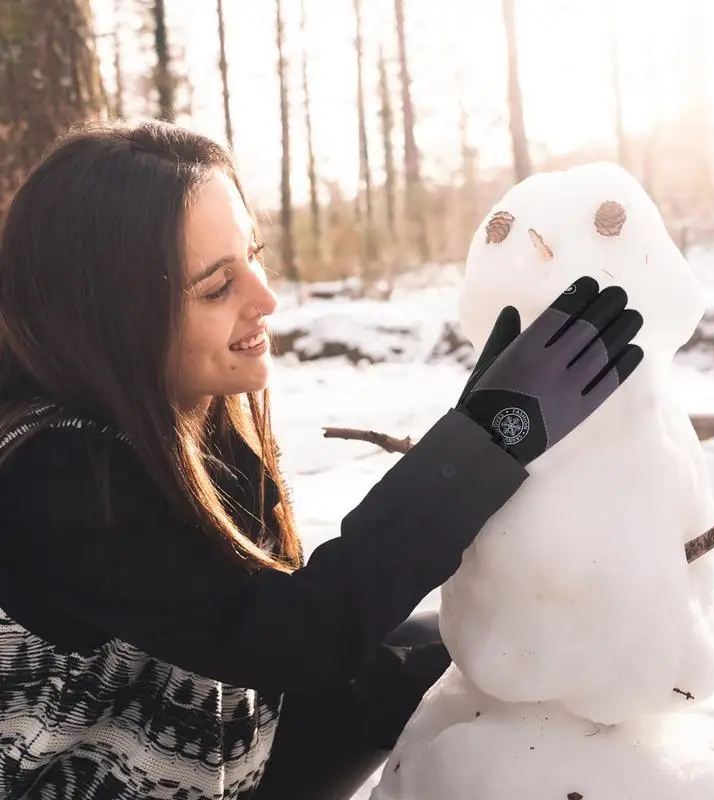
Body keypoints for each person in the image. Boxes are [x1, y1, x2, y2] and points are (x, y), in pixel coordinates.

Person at [0, 119, 644, 800]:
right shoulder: (59, 473)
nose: (265, 299)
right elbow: (296, 637)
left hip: (205, 732)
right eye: (217, 287)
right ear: (108, 318)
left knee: (468, 649)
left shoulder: (172, 406)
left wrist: (480, 442)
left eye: (254, 255)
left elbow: (256, 616)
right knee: (449, 661)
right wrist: (484, 441)